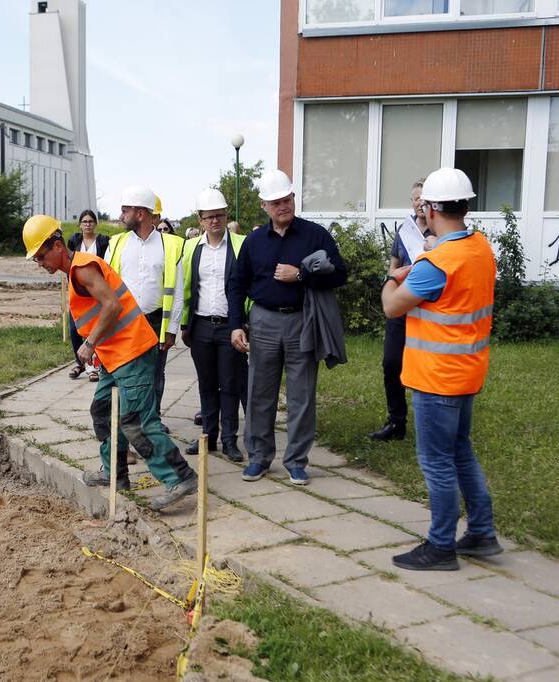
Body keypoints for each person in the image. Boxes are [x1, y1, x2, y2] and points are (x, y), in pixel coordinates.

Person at [23, 214, 198, 511]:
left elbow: (113, 305)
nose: (41, 263)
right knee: (102, 410)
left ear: (56, 245)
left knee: (137, 421)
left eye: (41, 256)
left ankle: (179, 477)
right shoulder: (74, 271)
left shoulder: (82, 269)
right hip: (115, 357)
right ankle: (115, 474)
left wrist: (89, 344)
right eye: (36, 260)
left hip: (132, 352)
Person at [382, 168, 502, 571]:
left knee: (437, 461)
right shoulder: (480, 247)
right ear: (465, 206)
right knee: (461, 453)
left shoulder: (437, 262)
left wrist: (393, 275)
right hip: (467, 371)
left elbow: (392, 306)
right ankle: (482, 534)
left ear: (431, 209)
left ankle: (440, 546)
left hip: (436, 378)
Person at [230, 169, 348, 486]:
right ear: (265, 206)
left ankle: (296, 460)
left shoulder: (315, 235)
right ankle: (258, 458)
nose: (283, 206)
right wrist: (235, 325)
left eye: (287, 199)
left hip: (302, 320)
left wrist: (301, 275)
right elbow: (237, 285)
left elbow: (341, 274)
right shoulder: (254, 242)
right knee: (259, 394)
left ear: (294, 198)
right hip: (264, 321)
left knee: (302, 395)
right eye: (276, 202)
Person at [105, 186, 185, 432]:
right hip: (123, 323)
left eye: (125, 210)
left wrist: (171, 329)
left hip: (154, 323)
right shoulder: (116, 243)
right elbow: (105, 285)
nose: (121, 216)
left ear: (140, 214)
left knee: (153, 378)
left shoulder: (171, 246)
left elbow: (178, 290)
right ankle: (126, 432)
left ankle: (151, 425)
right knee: (124, 378)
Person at [180, 188, 248, 462]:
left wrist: (245, 323)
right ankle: (208, 438)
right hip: (201, 325)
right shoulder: (191, 248)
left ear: (226, 215)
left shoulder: (242, 244)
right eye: (209, 217)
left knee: (229, 385)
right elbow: (185, 288)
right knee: (207, 384)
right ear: (200, 219)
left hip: (230, 326)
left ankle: (230, 440)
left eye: (219, 215)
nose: (215, 221)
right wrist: (184, 324)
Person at [368, 179, 434, 441]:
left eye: (424, 198)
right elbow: (393, 265)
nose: (420, 202)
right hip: (402, 307)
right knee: (391, 363)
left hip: (428, 311)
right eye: (415, 198)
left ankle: (429, 424)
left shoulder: (441, 235)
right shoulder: (404, 231)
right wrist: (392, 284)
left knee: (425, 367)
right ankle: (396, 422)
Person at [66, 209, 110, 382]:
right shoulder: (74, 241)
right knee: (74, 328)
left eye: (90, 221)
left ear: (95, 223)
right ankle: (80, 362)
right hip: (78, 291)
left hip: (96, 292)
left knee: (95, 330)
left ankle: (95, 366)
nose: (87, 224)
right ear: (80, 224)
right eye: (84, 221)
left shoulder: (103, 241)